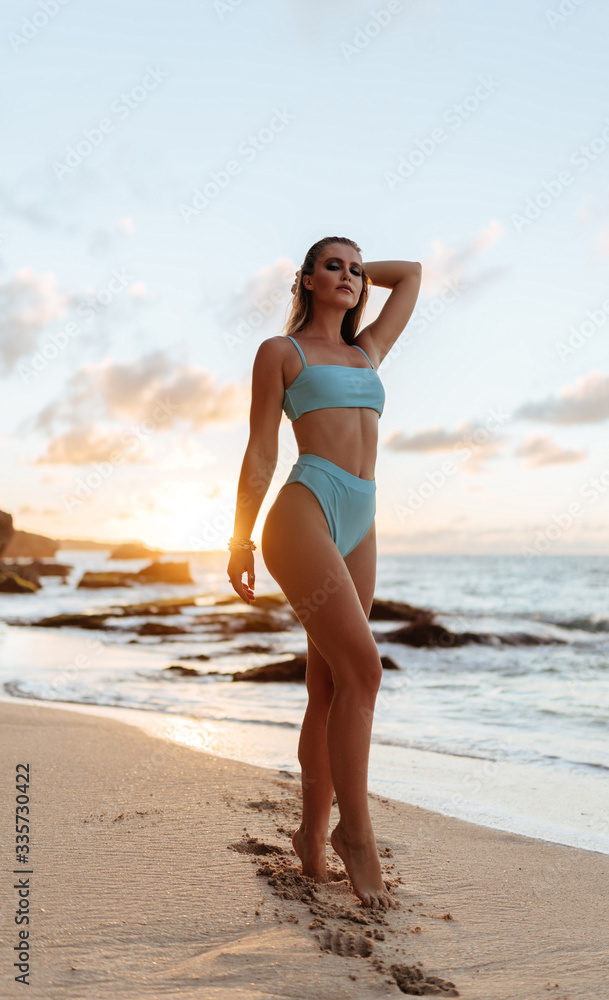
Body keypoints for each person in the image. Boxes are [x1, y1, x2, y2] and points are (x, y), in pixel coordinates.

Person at [227, 236, 421, 908]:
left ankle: (310, 835)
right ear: (305, 280)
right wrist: (239, 538)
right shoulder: (282, 353)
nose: (349, 275)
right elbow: (259, 447)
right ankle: (355, 836)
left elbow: (412, 274)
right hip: (304, 510)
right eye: (331, 266)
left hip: (361, 518)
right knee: (364, 670)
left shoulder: (367, 350)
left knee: (330, 687)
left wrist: (359, 269)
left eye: (355, 268)